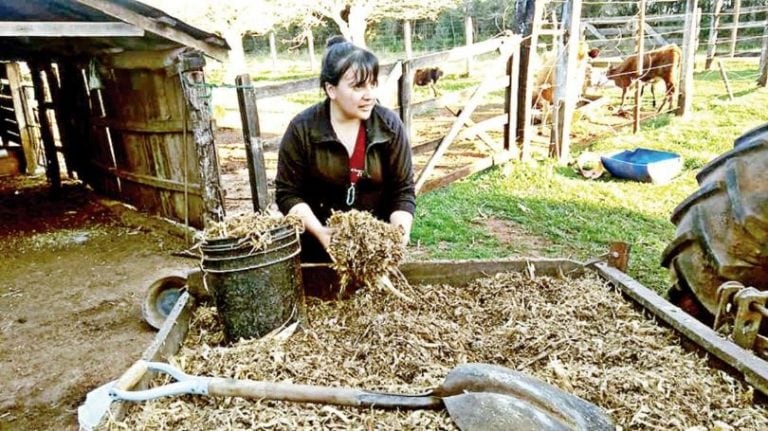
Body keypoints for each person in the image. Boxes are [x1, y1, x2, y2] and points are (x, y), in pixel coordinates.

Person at [275, 36, 416, 263]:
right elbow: (288, 194)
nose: (369, 95)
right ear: (331, 89)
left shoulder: (389, 126)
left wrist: (398, 235)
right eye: (358, 86)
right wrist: (322, 233)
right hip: (314, 252)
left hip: (373, 253)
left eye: (372, 84)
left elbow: (403, 190)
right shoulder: (302, 129)